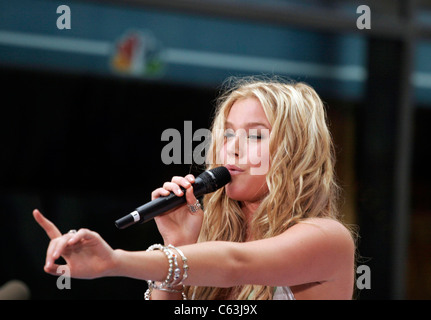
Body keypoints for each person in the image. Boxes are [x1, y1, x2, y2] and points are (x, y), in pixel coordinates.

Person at [33, 77, 356, 300]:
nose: (233, 148)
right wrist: (178, 243)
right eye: (228, 134)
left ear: (295, 151)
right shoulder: (212, 240)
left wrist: (116, 261)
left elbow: (236, 264)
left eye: (256, 136)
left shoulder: (326, 238)